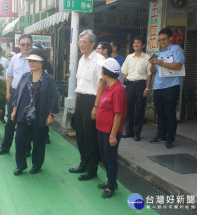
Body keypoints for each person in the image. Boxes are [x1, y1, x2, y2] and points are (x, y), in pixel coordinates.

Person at [11, 48, 58, 175]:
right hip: (23, 114)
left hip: (40, 115)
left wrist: (51, 114)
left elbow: (54, 97)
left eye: (35, 61)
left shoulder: (48, 79)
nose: (31, 63)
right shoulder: (25, 76)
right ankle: (20, 165)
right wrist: (14, 109)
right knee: (19, 140)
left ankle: (37, 165)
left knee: (38, 142)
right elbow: (17, 94)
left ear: (42, 62)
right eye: (30, 61)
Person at [69, 29, 104, 181]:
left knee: (90, 136)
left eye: (84, 42)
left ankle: (92, 169)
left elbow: (102, 83)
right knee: (81, 134)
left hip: (92, 100)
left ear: (92, 44)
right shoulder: (82, 59)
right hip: (81, 99)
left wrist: (96, 107)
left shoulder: (99, 60)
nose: (81, 45)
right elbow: (80, 83)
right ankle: (83, 163)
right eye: (80, 42)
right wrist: (76, 101)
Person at [0, 34, 33, 156]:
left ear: (31, 44)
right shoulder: (14, 59)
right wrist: (8, 92)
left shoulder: (36, 58)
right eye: (23, 44)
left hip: (30, 94)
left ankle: (26, 149)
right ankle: (5, 147)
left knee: (27, 122)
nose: (25, 46)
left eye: (28, 44)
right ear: (19, 45)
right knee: (11, 121)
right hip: (15, 93)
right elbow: (9, 75)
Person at [149, 28, 185, 149]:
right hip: (158, 86)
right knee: (160, 113)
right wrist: (153, 63)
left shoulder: (176, 49)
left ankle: (170, 139)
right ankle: (160, 136)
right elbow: (152, 71)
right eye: (160, 40)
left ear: (170, 38)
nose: (162, 42)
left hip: (171, 86)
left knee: (170, 113)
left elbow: (178, 65)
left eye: (164, 39)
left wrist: (162, 63)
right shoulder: (159, 53)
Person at [96, 58, 127, 199]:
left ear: (105, 72)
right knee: (104, 156)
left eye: (102, 69)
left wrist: (113, 135)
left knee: (110, 158)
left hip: (110, 131)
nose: (100, 71)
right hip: (101, 129)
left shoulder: (118, 90)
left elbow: (118, 114)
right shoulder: (109, 86)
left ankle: (111, 185)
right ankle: (110, 180)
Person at [121, 36, 152, 141]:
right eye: (134, 42)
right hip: (129, 85)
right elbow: (124, 72)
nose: (136, 44)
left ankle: (137, 133)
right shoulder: (129, 57)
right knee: (128, 109)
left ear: (143, 45)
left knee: (140, 109)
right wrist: (121, 87)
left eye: (138, 42)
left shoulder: (148, 58)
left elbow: (149, 74)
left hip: (141, 85)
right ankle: (129, 131)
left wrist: (147, 88)